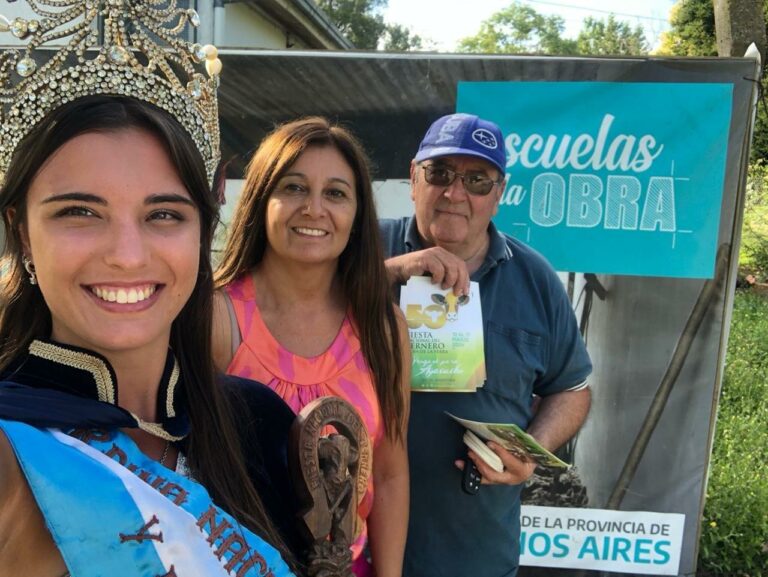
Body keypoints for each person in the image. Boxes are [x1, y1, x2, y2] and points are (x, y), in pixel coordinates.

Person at [0, 4, 296, 576]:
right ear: (23, 233)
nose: (129, 255)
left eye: (164, 214)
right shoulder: (13, 447)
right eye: (80, 212)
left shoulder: (259, 424)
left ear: (203, 229)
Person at [379, 113, 593, 577]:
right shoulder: (364, 249)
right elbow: (296, 302)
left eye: (477, 180)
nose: (456, 193)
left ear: (498, 195)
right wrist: (389, 272)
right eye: (440, 174)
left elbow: (573, 390)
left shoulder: (535, 278)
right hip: (352, 547)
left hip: (476, 553)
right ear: (414, 178)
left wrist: (532, 449)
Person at [213, 117, 411, 577]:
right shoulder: (215, 318)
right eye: (295, 187)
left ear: (358, 214)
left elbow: (390, 472)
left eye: (336, 193)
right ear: (263, 198)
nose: (314, 209)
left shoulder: (383, 328)